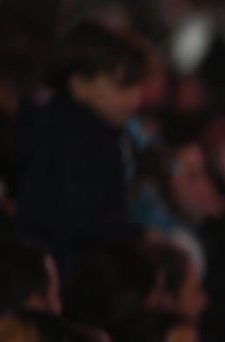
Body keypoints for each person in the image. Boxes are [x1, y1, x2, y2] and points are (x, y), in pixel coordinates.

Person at [15, 20, 149, 273]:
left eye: (138, 85)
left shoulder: (96, 134)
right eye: (122, 85)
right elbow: (80, 223)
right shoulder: (78, 141)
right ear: (79, 83)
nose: (135, 97)